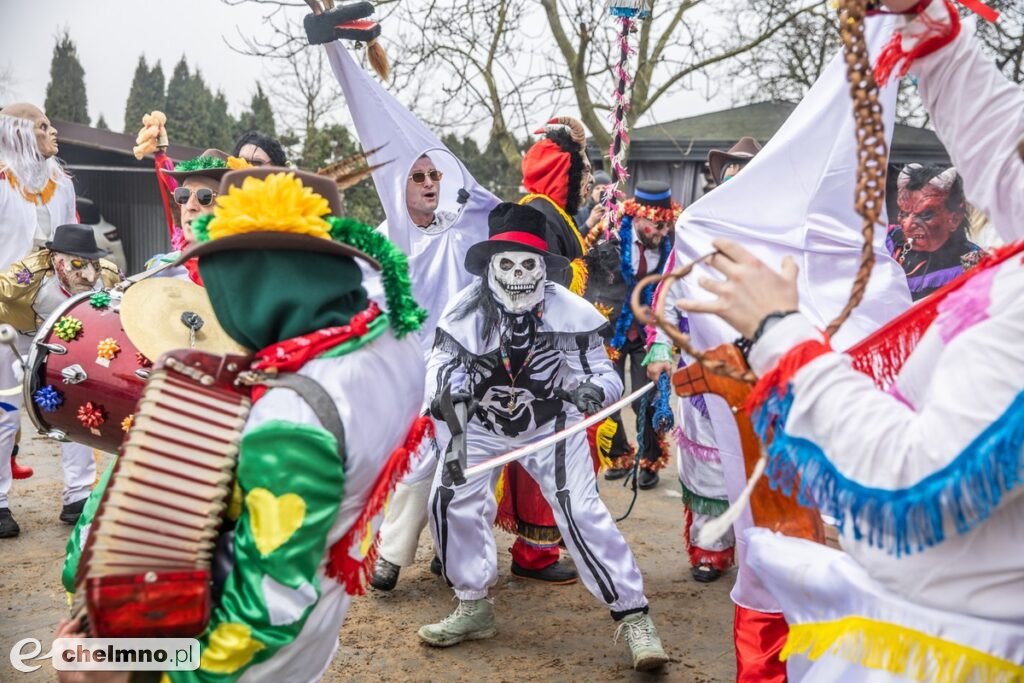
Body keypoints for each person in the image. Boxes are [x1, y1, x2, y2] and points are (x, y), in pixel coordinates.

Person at [59, 167, 430, 681]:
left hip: (260, 659)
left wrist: (145, 670)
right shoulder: (394, 333)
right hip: (324, 614)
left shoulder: (289, 419)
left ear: (250, 279)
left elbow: (268, 609)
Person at [651, 16, 914, 679]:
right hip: (777, 504)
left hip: (863, 533)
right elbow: (695, 254)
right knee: (769, 592)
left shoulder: (882, 282)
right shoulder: (736, 255)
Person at [418, 202, 669, 672]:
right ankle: (472, 604)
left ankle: (634, 615)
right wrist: (447, 394)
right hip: (478, 426)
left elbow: (599, 370)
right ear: (491, 267)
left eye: (527, 264)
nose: (517, 274)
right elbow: (441, 368)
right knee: (449, 498)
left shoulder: (569, 312)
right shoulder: (463, 310)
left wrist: (594, 389)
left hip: (550, 424)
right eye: (506, 264)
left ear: (544, 269)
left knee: (581, 509)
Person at [0, 225, 121, 537]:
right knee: (6, 419)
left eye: (91, 263)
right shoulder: (24, 276)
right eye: (77, 264)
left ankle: (78, 497)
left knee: (80, 414)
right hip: (16, 339)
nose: (87, 274)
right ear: (55, 259)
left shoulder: (107, 275)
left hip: (66, 342)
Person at [0, 103, 81, 537]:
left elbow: (73, 245)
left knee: (72, 391)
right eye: (42, 126)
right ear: (16, 132)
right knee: (3, 408)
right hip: (4, 316)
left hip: (58, 311)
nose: (53, 132)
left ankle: (78, 495)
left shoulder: (61, 184)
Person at [586, 181, 680, 490]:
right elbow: (581, 266)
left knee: (646, 399)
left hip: (648, 333)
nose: (663, 231)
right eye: (656, 225)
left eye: (667, 225)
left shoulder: (672, 244)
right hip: (610, 330)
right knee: (606, 397)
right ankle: (620, 455)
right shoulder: (609, 233)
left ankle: (650, 460)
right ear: (638, 218)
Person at [887, 163, 982, 300]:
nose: (907, 225)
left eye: (925, 215)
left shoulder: (973, 265)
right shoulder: (887, 240)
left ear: (954, 218)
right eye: (903, 214)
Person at [575, 168, 612, 237]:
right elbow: (573, 240)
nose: (601, 191)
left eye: (604, 188)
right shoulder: (579, 213)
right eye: (597, 188)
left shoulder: (615, 212)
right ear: (591, 192)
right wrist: (589, 223)